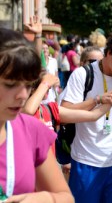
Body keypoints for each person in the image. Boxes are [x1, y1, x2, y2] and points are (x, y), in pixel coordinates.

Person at [61, 30, 112, 203]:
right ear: (109, 53)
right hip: (86, 161)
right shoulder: (83, 74)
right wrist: (97, 100)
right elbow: (65, 112)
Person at [0, 28, 74, 203]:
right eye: (11, 84)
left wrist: (38, 199)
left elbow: (65, 197)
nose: (23, 95)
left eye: (28, 85)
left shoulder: (30, 129)